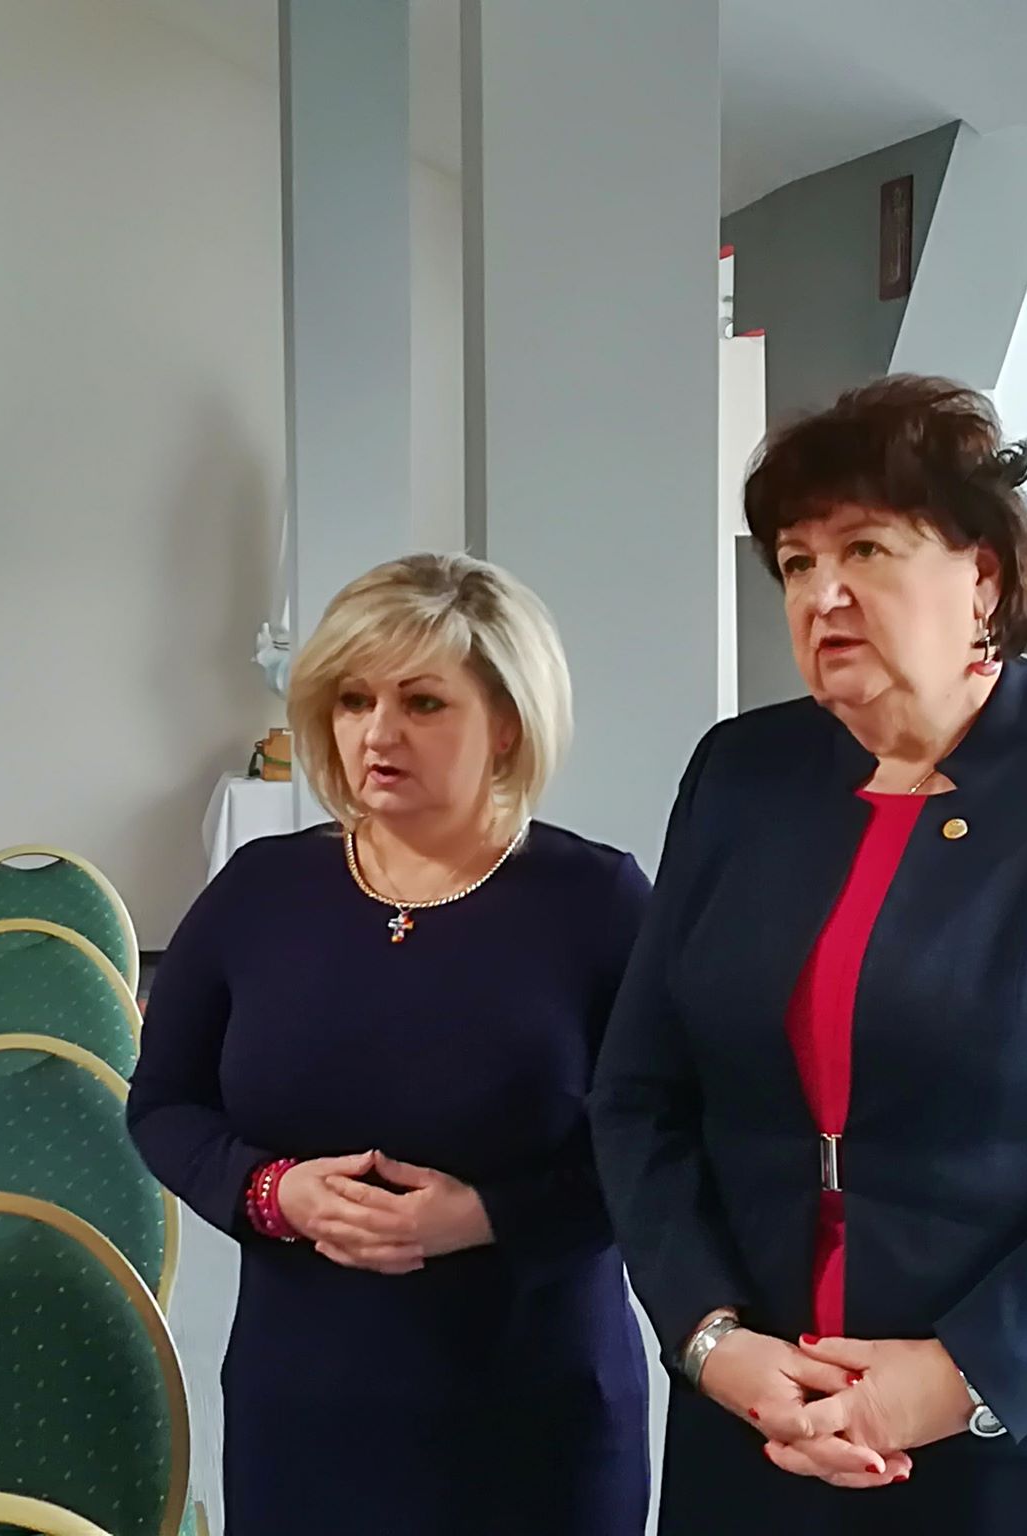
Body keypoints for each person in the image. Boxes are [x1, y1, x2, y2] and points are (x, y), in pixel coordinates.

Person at [590, 375, 1027, 1535]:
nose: (823, 592)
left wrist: (961, 1374)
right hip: (765, 1417)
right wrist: (711, 1339)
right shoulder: (739, 775)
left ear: (983, 579)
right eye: (795, 563)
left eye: (865, 548)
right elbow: (637, 1096)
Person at [127, 553, 650, 1536]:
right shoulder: (258, 893)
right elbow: (163, 1104)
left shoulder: (595, 903)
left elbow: (657, 1143)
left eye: (422, 702)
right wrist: (270, 1192)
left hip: (533, 1401)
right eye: (353, 700)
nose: (377, 732)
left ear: (506, 722)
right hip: (306, 1401)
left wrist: (486, 1216)